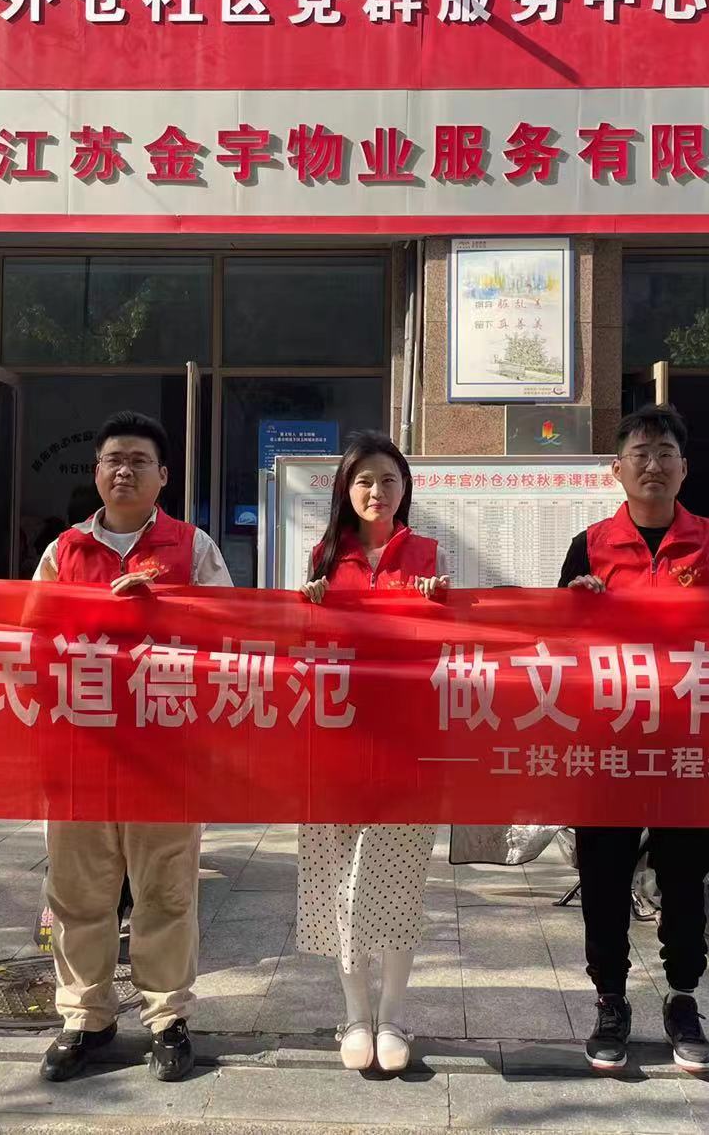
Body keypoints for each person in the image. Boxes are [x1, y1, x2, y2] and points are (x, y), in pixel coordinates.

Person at [32, 411, 232, 1085]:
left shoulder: (192, 547)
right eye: (113, 459)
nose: (124, 470)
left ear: (163, 476)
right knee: (77, 892)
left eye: (139, 460)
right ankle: (85, 1018)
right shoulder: (62, 552)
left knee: (165, 891)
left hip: (164, 750)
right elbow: (29, 638)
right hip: (81, 746)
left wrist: (165, 605)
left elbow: (227, 632)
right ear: (96, 472)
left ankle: (168, 1018)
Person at [558, 403, 709, 1074]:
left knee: (685, 876)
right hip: (608, 741)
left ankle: (683, 998)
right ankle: (610, 999)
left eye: (665, 453)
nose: (653, 465)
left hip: (690, 742)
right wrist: (577, 605)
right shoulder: (588, 546)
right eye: (640, 454)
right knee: (603, 876)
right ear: (617, 469)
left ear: (684, 467)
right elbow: (558, 645)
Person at [294, 432, 449, 1074]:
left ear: (405, 487)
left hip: (408, 745)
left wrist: (441, 608)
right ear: (345, 489)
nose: (376, 491)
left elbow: (450, 647)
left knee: (398, 882)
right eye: (363, 480)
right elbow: (305, 650)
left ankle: (393, 1016)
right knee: (339, 881)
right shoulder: (325, 557)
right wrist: (308, 608)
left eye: (388, 479)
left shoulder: (429, 557)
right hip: (336, 741)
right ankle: (355, 1014)